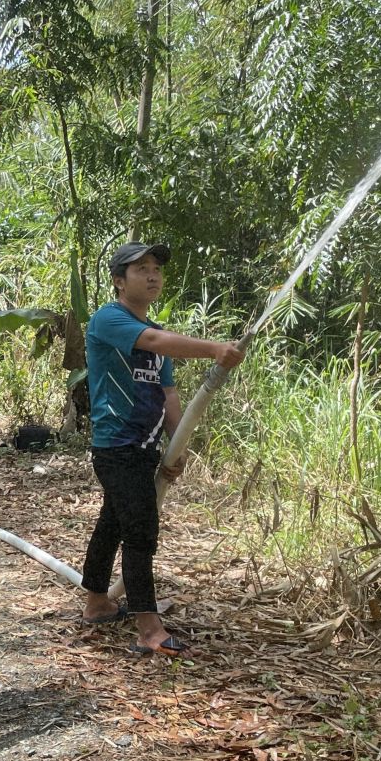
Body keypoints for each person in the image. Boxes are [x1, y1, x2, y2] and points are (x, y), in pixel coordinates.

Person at [80, 241, 244, 657]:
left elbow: (168, 393)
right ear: (119, 281)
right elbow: (154, 340)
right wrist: (215, 350)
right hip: (117, 445)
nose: (153, 275)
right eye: (141, 269)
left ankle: (98, 603)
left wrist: (175, 446)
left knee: (113, 523)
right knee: (140, 532)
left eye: (156, 268)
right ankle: (148, 628)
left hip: (143, 446)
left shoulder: (155, 336)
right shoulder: (109, 319)